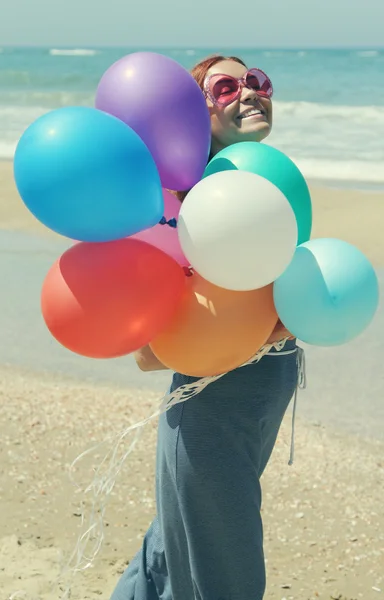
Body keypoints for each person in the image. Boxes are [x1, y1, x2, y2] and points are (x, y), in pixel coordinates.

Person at [110, 54, 302, 600]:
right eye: (225, 87)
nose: (249, 92)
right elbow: (148, 353)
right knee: (222, 570)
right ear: (195, 115)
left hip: (259, 398)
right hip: (209, 410)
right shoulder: (179, 208)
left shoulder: (262, 188)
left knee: (175, 547)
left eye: (258, 80)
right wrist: (251, 336)